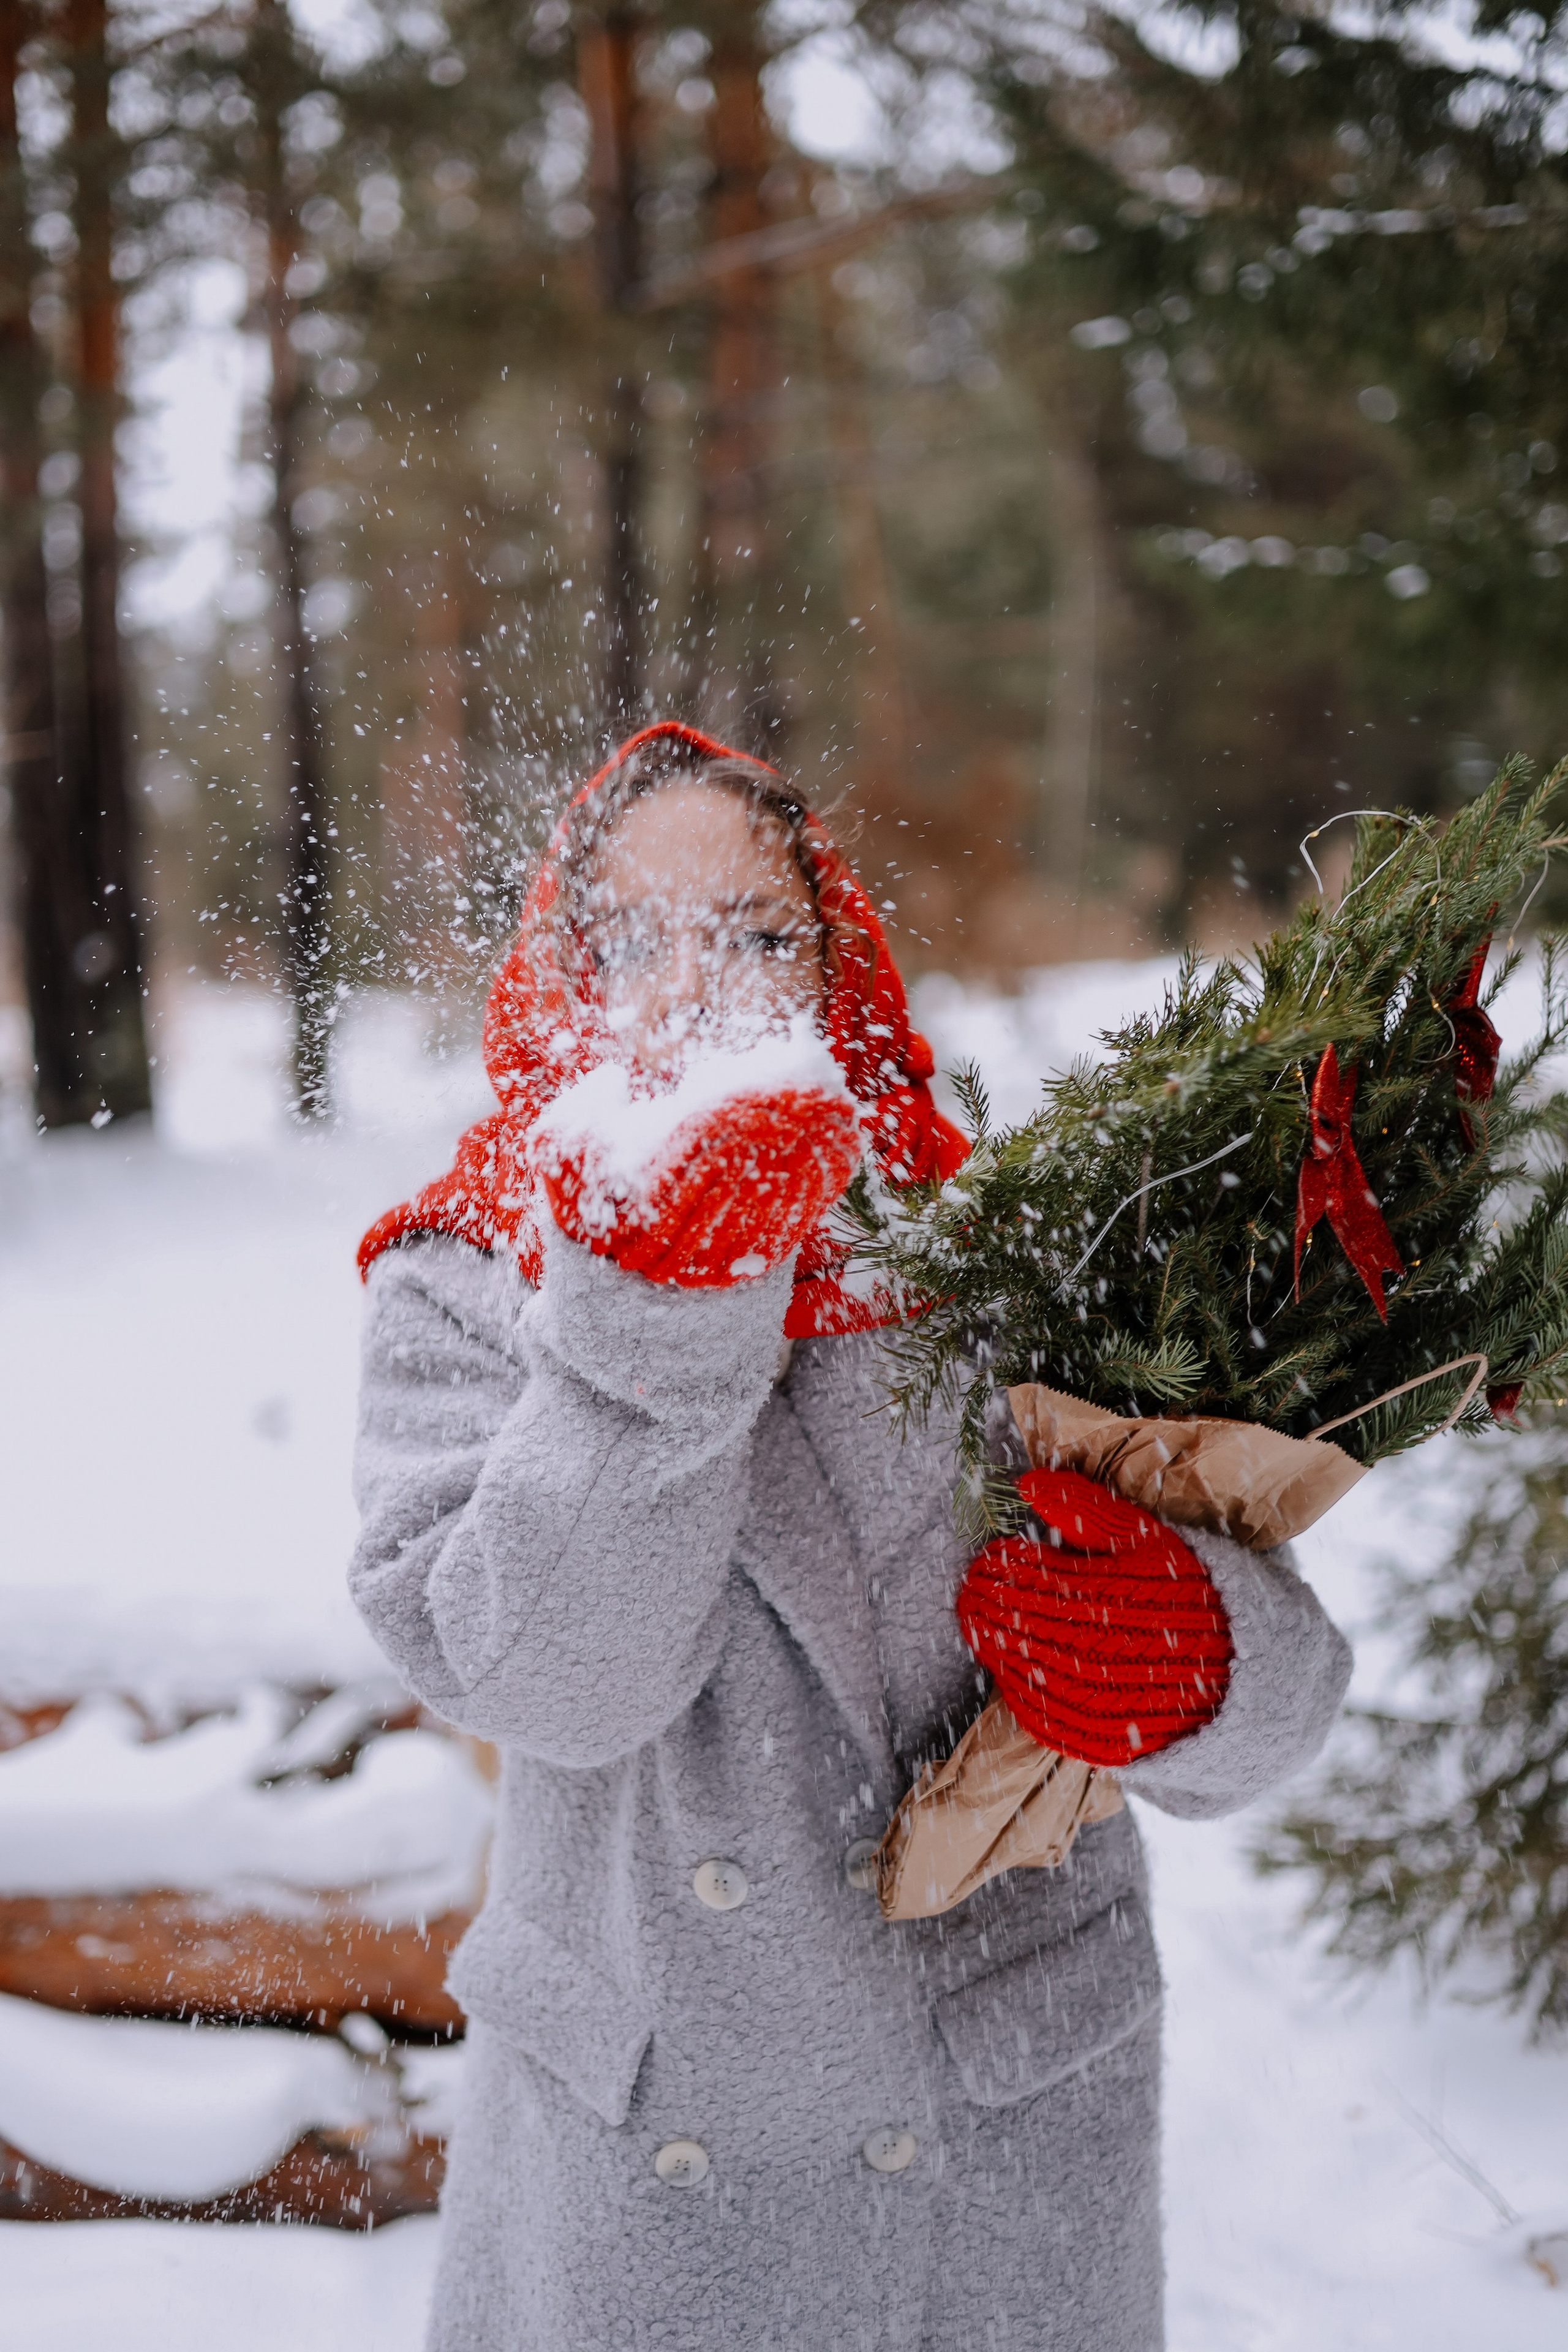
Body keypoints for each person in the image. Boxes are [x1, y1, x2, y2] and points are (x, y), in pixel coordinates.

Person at [350, 721, 1351, 2351]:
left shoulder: (1006, 1254)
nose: (702, 985)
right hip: (646, 2153)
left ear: (837, 972)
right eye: (635, 940)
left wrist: (1208, 1658)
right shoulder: (464, 1281)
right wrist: (660, 1315)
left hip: (987, 2144)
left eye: (756, 934)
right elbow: (555, 1686)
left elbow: (1285, 1689)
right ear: (562, 978)